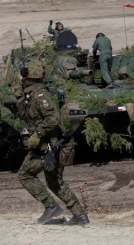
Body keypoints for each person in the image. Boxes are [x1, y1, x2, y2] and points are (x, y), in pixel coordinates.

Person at [16, 59, 89, 225]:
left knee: (25, 174)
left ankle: (51, 207)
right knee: (55, 182)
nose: (20, 78)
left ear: (29, 77)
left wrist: (39, 133)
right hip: (49, 145)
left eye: (23, 75)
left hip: (49, 146)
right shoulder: (31, 95)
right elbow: (28, 117)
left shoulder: (41, 96)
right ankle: (80, 215)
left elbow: (53, 119)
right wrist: (20, 102)